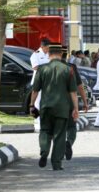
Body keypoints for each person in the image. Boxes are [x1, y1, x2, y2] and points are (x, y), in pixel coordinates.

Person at [29, 43, 78, 171]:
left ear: (48, 54)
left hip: (45, 106)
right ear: (61, 54)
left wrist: (31, 105)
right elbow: (73, 92)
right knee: (60, 135)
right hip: (62, 108)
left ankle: (44, 151)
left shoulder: (42, 69)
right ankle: (57, 164)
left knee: (45, 131)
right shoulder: (68, 69)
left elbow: (35, 90)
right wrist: (75, 109)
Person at [61, 46, 89, 161]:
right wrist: (85, 101)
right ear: (67, 55)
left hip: (52, 103)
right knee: (72, 126)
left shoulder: (47, 67)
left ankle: (60, 147)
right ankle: (69, 142)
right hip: (69, 102)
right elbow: (80, 86)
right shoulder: (71, 67)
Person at [30, 38, 50, 130]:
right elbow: (35, 67)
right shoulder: (35, 54)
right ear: (42, 46)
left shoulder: (49, 54)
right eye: (47, 48)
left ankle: (45, 119)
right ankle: (37, 119)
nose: (48, 49)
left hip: (48, 81)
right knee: (37, 101)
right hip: (38, 81)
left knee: (46, 100)